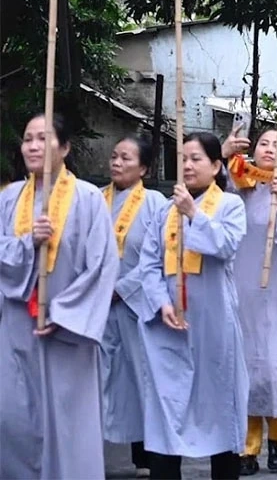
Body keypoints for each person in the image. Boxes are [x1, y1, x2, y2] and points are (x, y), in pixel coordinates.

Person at [0, 113, 119, 479]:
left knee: (69, 427)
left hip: (67, 330)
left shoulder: (88, 199)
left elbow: (101, 266)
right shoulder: (8, 200)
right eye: (27, 139)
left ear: (64, 147)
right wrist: (26, 244)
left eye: (42, 138)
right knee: (16, 419)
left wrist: (63, 314)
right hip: (18, 329)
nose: (33, 146)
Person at [134, 132, 249, 479]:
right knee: (167, 410)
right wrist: (159, 302)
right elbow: (149, 264)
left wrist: (194, 214)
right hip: (169, 327)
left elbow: (225, 245)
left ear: (216, 166)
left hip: (213, 324)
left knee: (218, 409)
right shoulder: (165, 211)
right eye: (183, 158)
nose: (187, 165)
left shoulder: (230, 205)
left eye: (196, 158)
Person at [223, 128, 277, 474]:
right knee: (244, 367)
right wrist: (224, 153)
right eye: (263, 143)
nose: (269, 149)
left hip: (273, 288)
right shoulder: (236, 184)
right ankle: (247, 446)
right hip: (239, 287)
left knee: (273, 367)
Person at [102, 135, 168, 478]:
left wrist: (123, 288)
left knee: (143, 376)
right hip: (99, 306)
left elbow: (156, 256)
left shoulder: (156, 203)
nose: (116, 162)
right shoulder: (97, 200)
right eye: (114, 156)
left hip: (137, 304)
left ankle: (151, 453)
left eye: (126, 158)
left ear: (143, 167)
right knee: (107, 378)